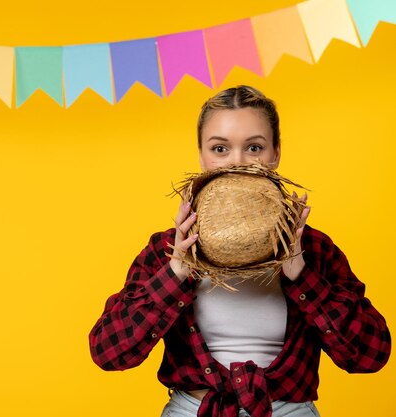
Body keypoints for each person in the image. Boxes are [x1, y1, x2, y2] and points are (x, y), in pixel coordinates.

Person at [88, 85, 391, 417]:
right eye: (220, 148)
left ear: (275, 153)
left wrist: (301, 274)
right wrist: (174, 274)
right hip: (193, 410)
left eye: (254, 147)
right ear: (202, 155)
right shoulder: (167, 249)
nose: (237, 162)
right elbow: (108, 353)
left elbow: (369, 357)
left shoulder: (314, 249)